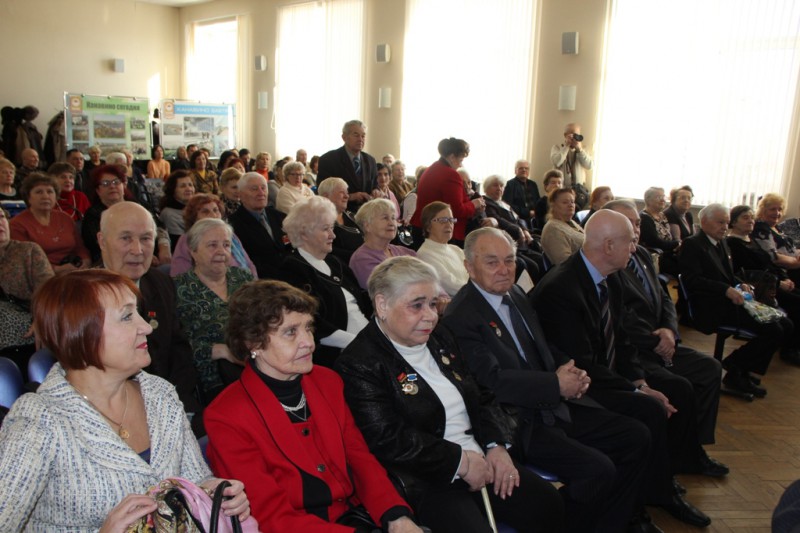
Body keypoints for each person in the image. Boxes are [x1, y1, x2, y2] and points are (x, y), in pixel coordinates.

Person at [0, 269, 251, 530]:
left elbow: (195, 478)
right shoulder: (40, 420)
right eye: (127, 316)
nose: (146, 327)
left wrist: (215, 494)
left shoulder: (159, 394)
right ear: (81, 332)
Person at [442, 227, 653, 532]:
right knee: (597, 471)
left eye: (509, 260)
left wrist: (569, 368)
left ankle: (611, 523)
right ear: (469, 266)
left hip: (552, 403)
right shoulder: (461, 316)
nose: (504, 269)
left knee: (636, 436)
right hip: (519, 421)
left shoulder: (515, 294)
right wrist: (556, 384)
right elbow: (491, 382)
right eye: (492, 262)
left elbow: (540, 346)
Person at [335, 257, 565, 533]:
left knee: (549, 504)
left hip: (481, 456)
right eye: (417, 305)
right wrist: (461, 462)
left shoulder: (440, 336)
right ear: (382, 305)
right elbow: (389, 439)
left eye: (433, 304)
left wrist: (496, 446)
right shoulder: (360, 363)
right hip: (428, 477)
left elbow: (481, 394)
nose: (431, 316)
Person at [531, 210, 712, 528]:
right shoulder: (561, 289)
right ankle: (641, 506)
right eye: (629, 240)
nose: (634, 245)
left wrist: (640, 381)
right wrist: (636, 391)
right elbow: (581, 363)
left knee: (670, 393)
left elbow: (623, 340)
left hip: (601, 373)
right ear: (609, 245)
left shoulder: (608, 276)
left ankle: (658, 489)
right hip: (577, 386)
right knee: (648, 411)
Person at [204, 279, 422, 532]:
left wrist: (396, 516)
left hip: (355, 517)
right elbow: (270, 517)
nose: (308, 342)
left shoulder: (327, 381)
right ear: (253, 343)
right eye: (290, 332)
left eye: (308, 328)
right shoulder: (227, 416)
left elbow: (359, 459)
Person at [605, 200, 727, 460]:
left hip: (663, 339)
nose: (635, 230)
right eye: (628, 225)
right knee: (678, 385)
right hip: (634, 349)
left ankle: (695, 447)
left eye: (637, 223)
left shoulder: (642, 254)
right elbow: (620, 318)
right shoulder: (608, 263)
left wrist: (670, 331)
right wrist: (656, 340)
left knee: (710, 368)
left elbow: (664, 298)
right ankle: (677, 454)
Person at [98, 201, 203, 433]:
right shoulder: (81, 297)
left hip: (171, 402)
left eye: (146, 238)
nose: (138, 250)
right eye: (126, 238)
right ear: (102, 241)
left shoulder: (161, 283)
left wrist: (179, 403)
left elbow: (179, 350)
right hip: (114, 417)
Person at [680, 204, 791, 396]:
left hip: (731, 300)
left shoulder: (722, 242)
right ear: (704, 222)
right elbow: (693, 280)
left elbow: (728, 275)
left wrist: (741, 284)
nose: (725, 227)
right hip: (711, 305)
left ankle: (743, 368)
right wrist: (726, 290)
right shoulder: (693, 244)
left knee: (786, 325)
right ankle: (735, 368)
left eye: (726, 222)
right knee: (773, 329)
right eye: (720, 222)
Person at [279, 196, 371, 368]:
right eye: (325, 229)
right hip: (337, 355)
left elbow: (363, 301)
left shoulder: (334, 262)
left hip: (366, 340)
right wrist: (359, 343)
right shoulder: (292, 269)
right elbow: (312, 323)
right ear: (304, 233)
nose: (333, 235)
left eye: (332, 228)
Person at [175, 218, 253, 405]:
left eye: (226, 245)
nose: (221, 251)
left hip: (253, 364)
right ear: (193, 250)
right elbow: (174, 344)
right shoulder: (178, 288)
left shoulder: (242, 277)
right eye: (212, 245)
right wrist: (218, 351)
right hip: (209, 379)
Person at [727, 205, 800, 365]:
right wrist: (779, 283)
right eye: (745, 218)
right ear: (733, 222)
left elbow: (769, 264)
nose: (750, 221)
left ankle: (791, 345)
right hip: (758, 289)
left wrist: (784, 278)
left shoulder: (752, 241)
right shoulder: (733, 243)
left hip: (772, 283)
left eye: (752, 218)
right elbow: (750, 272)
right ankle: (789, 349)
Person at [410, 137, 485, 247]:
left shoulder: (432, 168)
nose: (460, 165)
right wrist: (474, 204)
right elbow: (457, 210)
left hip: (422, 226)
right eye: (460, 160)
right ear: (452, 157)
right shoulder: (451, 175)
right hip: (438, 231)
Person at [10, 172, 90, 271]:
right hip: (40, 274)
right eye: (39, 192)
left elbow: (80, 247)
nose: (45, 196)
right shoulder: (17, 224)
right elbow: (24, 260)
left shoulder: (65, 218)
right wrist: (57, 269)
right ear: (28, 197)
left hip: (74, 269)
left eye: (50, 192)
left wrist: (86, 260)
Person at [0, 206, 53, 351]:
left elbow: (48, 289)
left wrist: (41, 319)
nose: (0, 223)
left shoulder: (29, 250)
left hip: (30, 319)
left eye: (2, 217)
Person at [169, 193, 256, 277]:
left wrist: (253, 282)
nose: (213, 215)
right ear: (194, 217)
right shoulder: (187, 239)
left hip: (245, 282)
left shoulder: (230, 235)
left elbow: (249, 263)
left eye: (215, 210)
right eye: (205, 212)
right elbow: (179, 275)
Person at [228, 172, 291, 280]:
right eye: (254, 189)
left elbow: (290, 246)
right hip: (264, 281)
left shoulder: (280, 217)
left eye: (263, 188)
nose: (261, 193)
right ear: (240, 194)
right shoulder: (233, 225)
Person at [350, 198, 417, 289]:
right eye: (385, 218)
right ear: (367, 226)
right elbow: (389, 290)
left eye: (393, 218)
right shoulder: (362, 259)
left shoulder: (405, 251)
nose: (392, 223)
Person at [317, 120, 379, 211]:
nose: (360, 139)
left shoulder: (370, 161)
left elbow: (375, 185)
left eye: (363, 136)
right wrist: (350, 196)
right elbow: (322, 192)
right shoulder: (329, 159)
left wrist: (376, 191)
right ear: (344, 137)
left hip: (366, 213)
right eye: (356, 135)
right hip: (339, 212)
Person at [416, 201, 469, 297]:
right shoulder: (425, 254)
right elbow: (451, 286)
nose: (449, 224)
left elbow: (475, 272)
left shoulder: (456, 249)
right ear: (428, 226)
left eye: (451, 220)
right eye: (443, 220)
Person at [81, 164, 129, 264]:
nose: (112, 186)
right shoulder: (93, 214)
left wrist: (161, 247)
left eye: (116, 182)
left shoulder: (137, 207)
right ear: (98, 191)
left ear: (124, 185)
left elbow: (157, 230)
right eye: (105, 183)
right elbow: (99, 244)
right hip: (108, 260)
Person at [317, 177, 364, 264]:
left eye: (347, 193)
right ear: (326, 197)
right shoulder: (319, 220)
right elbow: (327, 250)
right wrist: (360, 256)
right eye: (342, 192)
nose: (347, 196)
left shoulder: (352, 215)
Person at [752, 193, 800, 278]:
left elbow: (789, 249)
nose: (777, 213)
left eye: (780, 209)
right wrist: (796, 262)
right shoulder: (761, 229)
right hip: (783, 274)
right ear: (763, 211)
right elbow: (773, 257)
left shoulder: (775, 227)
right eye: (772, 209)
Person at [639, 187, 681, 276]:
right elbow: (655, 242)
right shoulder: (644, 218)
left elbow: (669, 236)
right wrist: (677, 244)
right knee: (686, 267)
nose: (663, 200)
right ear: (648, 200)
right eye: (658, 197)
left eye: (663, 197)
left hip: (670, 252)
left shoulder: (662, 215)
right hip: (658, 256)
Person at [483, 175, 534, 247]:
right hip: (507, 242)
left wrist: (525, 230)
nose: (499, 188)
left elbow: (517, 218)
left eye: (501, 186)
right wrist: (518, 230)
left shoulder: (504, 203)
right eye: (495, 185)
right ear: (486, 188)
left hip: (521, 238)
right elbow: (498, 219)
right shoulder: (485, 203)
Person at [540, 188, 584, 265]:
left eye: (572, 202)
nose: (570, 205)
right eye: (565, 202)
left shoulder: (571, 222)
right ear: (553, 205)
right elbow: (565, 263)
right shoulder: (553, 229)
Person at [159, 170, 196, 249]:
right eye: (183, 186)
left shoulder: (196, 208)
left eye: (190, 185)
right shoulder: (169, 214)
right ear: (173, 190)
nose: (188, 189)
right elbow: (179, 245)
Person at [550, 123, 592, 189]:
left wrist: (579, 150)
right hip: (561, 189)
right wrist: (566, 146)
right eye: (572, 134)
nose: (574, 137)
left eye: (577, 134)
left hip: (578, 189)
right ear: (565, 135)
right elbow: (556, 162)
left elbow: (589, 166)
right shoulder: (557, 148)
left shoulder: (584, 149)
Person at [501, 159, 539, 228]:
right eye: (521, 168)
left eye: (526, 168)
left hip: (535, 218)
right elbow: (507, 205)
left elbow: (538, 202)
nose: (524, 170)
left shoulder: (533, 184)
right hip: (519, 219)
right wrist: (528, 213)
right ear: (515, 171)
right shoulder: (510, 184)